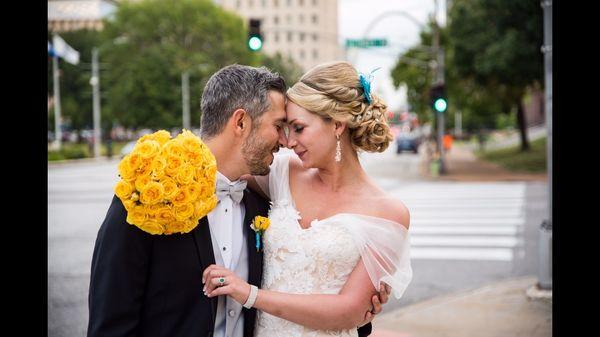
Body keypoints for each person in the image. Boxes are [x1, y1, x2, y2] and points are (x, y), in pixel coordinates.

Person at [87, 64, 385, 337]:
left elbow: (299, 271)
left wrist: (357, 310)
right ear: (241, 122)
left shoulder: (265, 200)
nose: (285, 141)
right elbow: (111, 323)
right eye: (279, 125)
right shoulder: (147, 195)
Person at [202, 61, 413, 337]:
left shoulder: (388, 213)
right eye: (285, 128)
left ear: (337, 124)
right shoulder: (281, 172)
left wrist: (250, 295)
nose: (288, 142)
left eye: (298, 128)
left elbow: (350, 310)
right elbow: (222, 166)